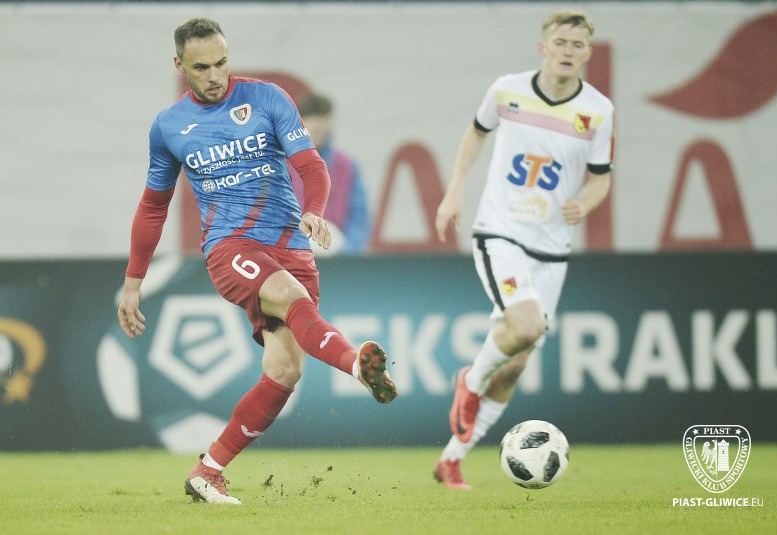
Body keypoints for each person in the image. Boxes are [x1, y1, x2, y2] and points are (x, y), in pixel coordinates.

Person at [116, 17, 398, 505]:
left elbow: (311, 165)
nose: (214, 76)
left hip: (290, 245)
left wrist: (313, 210)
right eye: (201, 67)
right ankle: (356, 365)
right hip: (230, 246)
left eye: (221, 63)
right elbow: (154, 206)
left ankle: (208, 471)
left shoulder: (266, 98)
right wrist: (133, 281)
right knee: (289, 296)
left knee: (285, 370)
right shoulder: (169, 126)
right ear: (179, 65)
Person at [432, 10, 613, 489]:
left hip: (551, 248)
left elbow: (601, 178)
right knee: (527, 325)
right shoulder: (507, 91)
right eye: (561, 42)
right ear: (543, 48)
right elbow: (476, 132)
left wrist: (584, 203)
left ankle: (451, 458)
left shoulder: (597, 111)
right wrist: (455, 190)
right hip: (501, 232)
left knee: (516, 360)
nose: (568, 51)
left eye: (578, 44)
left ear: (588, 53)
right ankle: (470, 382)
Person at [290, 93, 371, 255]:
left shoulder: (347, 166)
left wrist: (346, 253)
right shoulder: (281, 166)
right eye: (312, 120)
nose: (318, 126)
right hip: (292, 258)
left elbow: (359, 217)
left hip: (338, 259)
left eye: (324, 119)